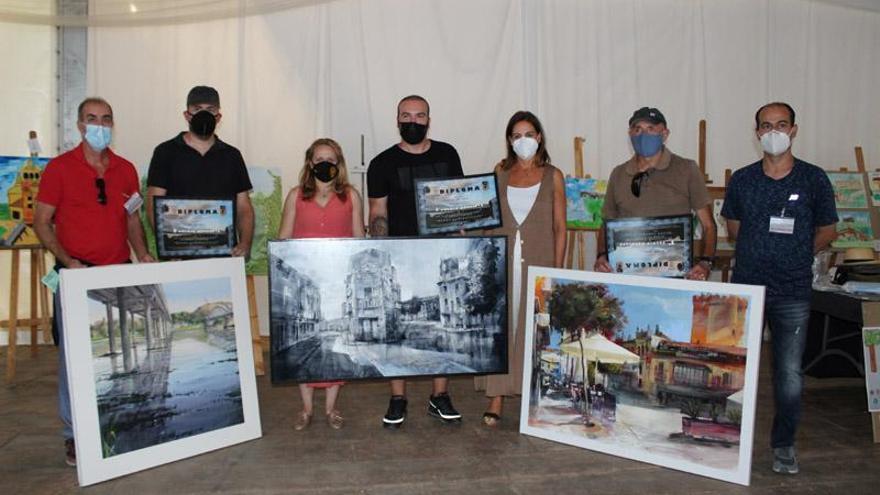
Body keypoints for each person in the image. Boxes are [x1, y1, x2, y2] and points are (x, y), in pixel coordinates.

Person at [33, 97, 154, 467]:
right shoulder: (59, 169)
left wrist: (144, 255)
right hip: (75, 276)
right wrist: (68, 262)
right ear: (80, 125)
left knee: (119, 351)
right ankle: (74, 434)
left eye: (106, 119)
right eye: (92, 118)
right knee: (73, 359)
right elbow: (42, 222)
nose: (99, 125)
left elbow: (132, 219)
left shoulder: (126, 170)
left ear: (112, 124)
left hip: (117, 272)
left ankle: (115, 423)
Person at [721, 102, 837, 475]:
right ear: (757, 132)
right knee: (735, 369)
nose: (774, 132)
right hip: (748, 288)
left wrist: (797, 254)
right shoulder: (743, 179)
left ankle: (784, 445)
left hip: (792, 290)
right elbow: (734, 229)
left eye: (781, 124)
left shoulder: (813, 178)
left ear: (794, 130)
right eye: (766, 125)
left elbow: (828, 230)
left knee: (788, 373)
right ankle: (729, 439)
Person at [367, 94, 464, 428]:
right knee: (395, 327)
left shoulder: (448, 154)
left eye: (419, 115)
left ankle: (439, 396)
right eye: (406, 115)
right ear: (397, 120)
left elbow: (457, 201)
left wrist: (461, 235)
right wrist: (382, 252)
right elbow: (377, 212)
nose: (413, 121)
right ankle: (398, 398)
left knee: (439, 327)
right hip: (401, 251)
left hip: (439, 248)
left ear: (428, 120)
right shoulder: (381, 163)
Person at [475, 110, 566, 427]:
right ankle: (497, 396)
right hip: (503, 262)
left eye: (528, 134)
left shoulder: (553, 175)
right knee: (503, 325)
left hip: (539, 260)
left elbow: (560, 227)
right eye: (516, 135)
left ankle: (532, 396)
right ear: (509, 140)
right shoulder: (500, 173)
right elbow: (487, 218)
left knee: (534, 328)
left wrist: (557, 271)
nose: (523, 140)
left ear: (539, 137)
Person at [278, 138, 365, 430]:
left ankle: (331, 408)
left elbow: (358, 239)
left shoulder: (351, 196)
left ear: (339, 164)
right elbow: (283, 240)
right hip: (304, 282)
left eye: (331, 159)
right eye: (319, 159)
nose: (324, 164)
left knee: (333, 358)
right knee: (304, 359)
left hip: (335, 277)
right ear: (310, 163)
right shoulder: (295, 196)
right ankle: (306, 409)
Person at [594, 107, 716, 279]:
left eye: (650, 129)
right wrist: (601, 256)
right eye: (638, 129)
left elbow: (709, 225)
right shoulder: (618, 174)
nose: (643, 135)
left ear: (664, 134)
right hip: (628, 276)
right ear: (630, 134)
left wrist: (705, 262)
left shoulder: (687, 169)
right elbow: (606, 223)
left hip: (675, 275)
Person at [146, 85, 254, 258]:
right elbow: (153, 204)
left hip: (224, 256)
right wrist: (168, 246)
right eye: (197, 109)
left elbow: (244, 208)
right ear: (187, 115)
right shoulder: (165, 152)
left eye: (210, 110)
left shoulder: (232, 155)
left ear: (218, 117)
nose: (204, 115)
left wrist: (245, 244)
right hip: (180, 257)